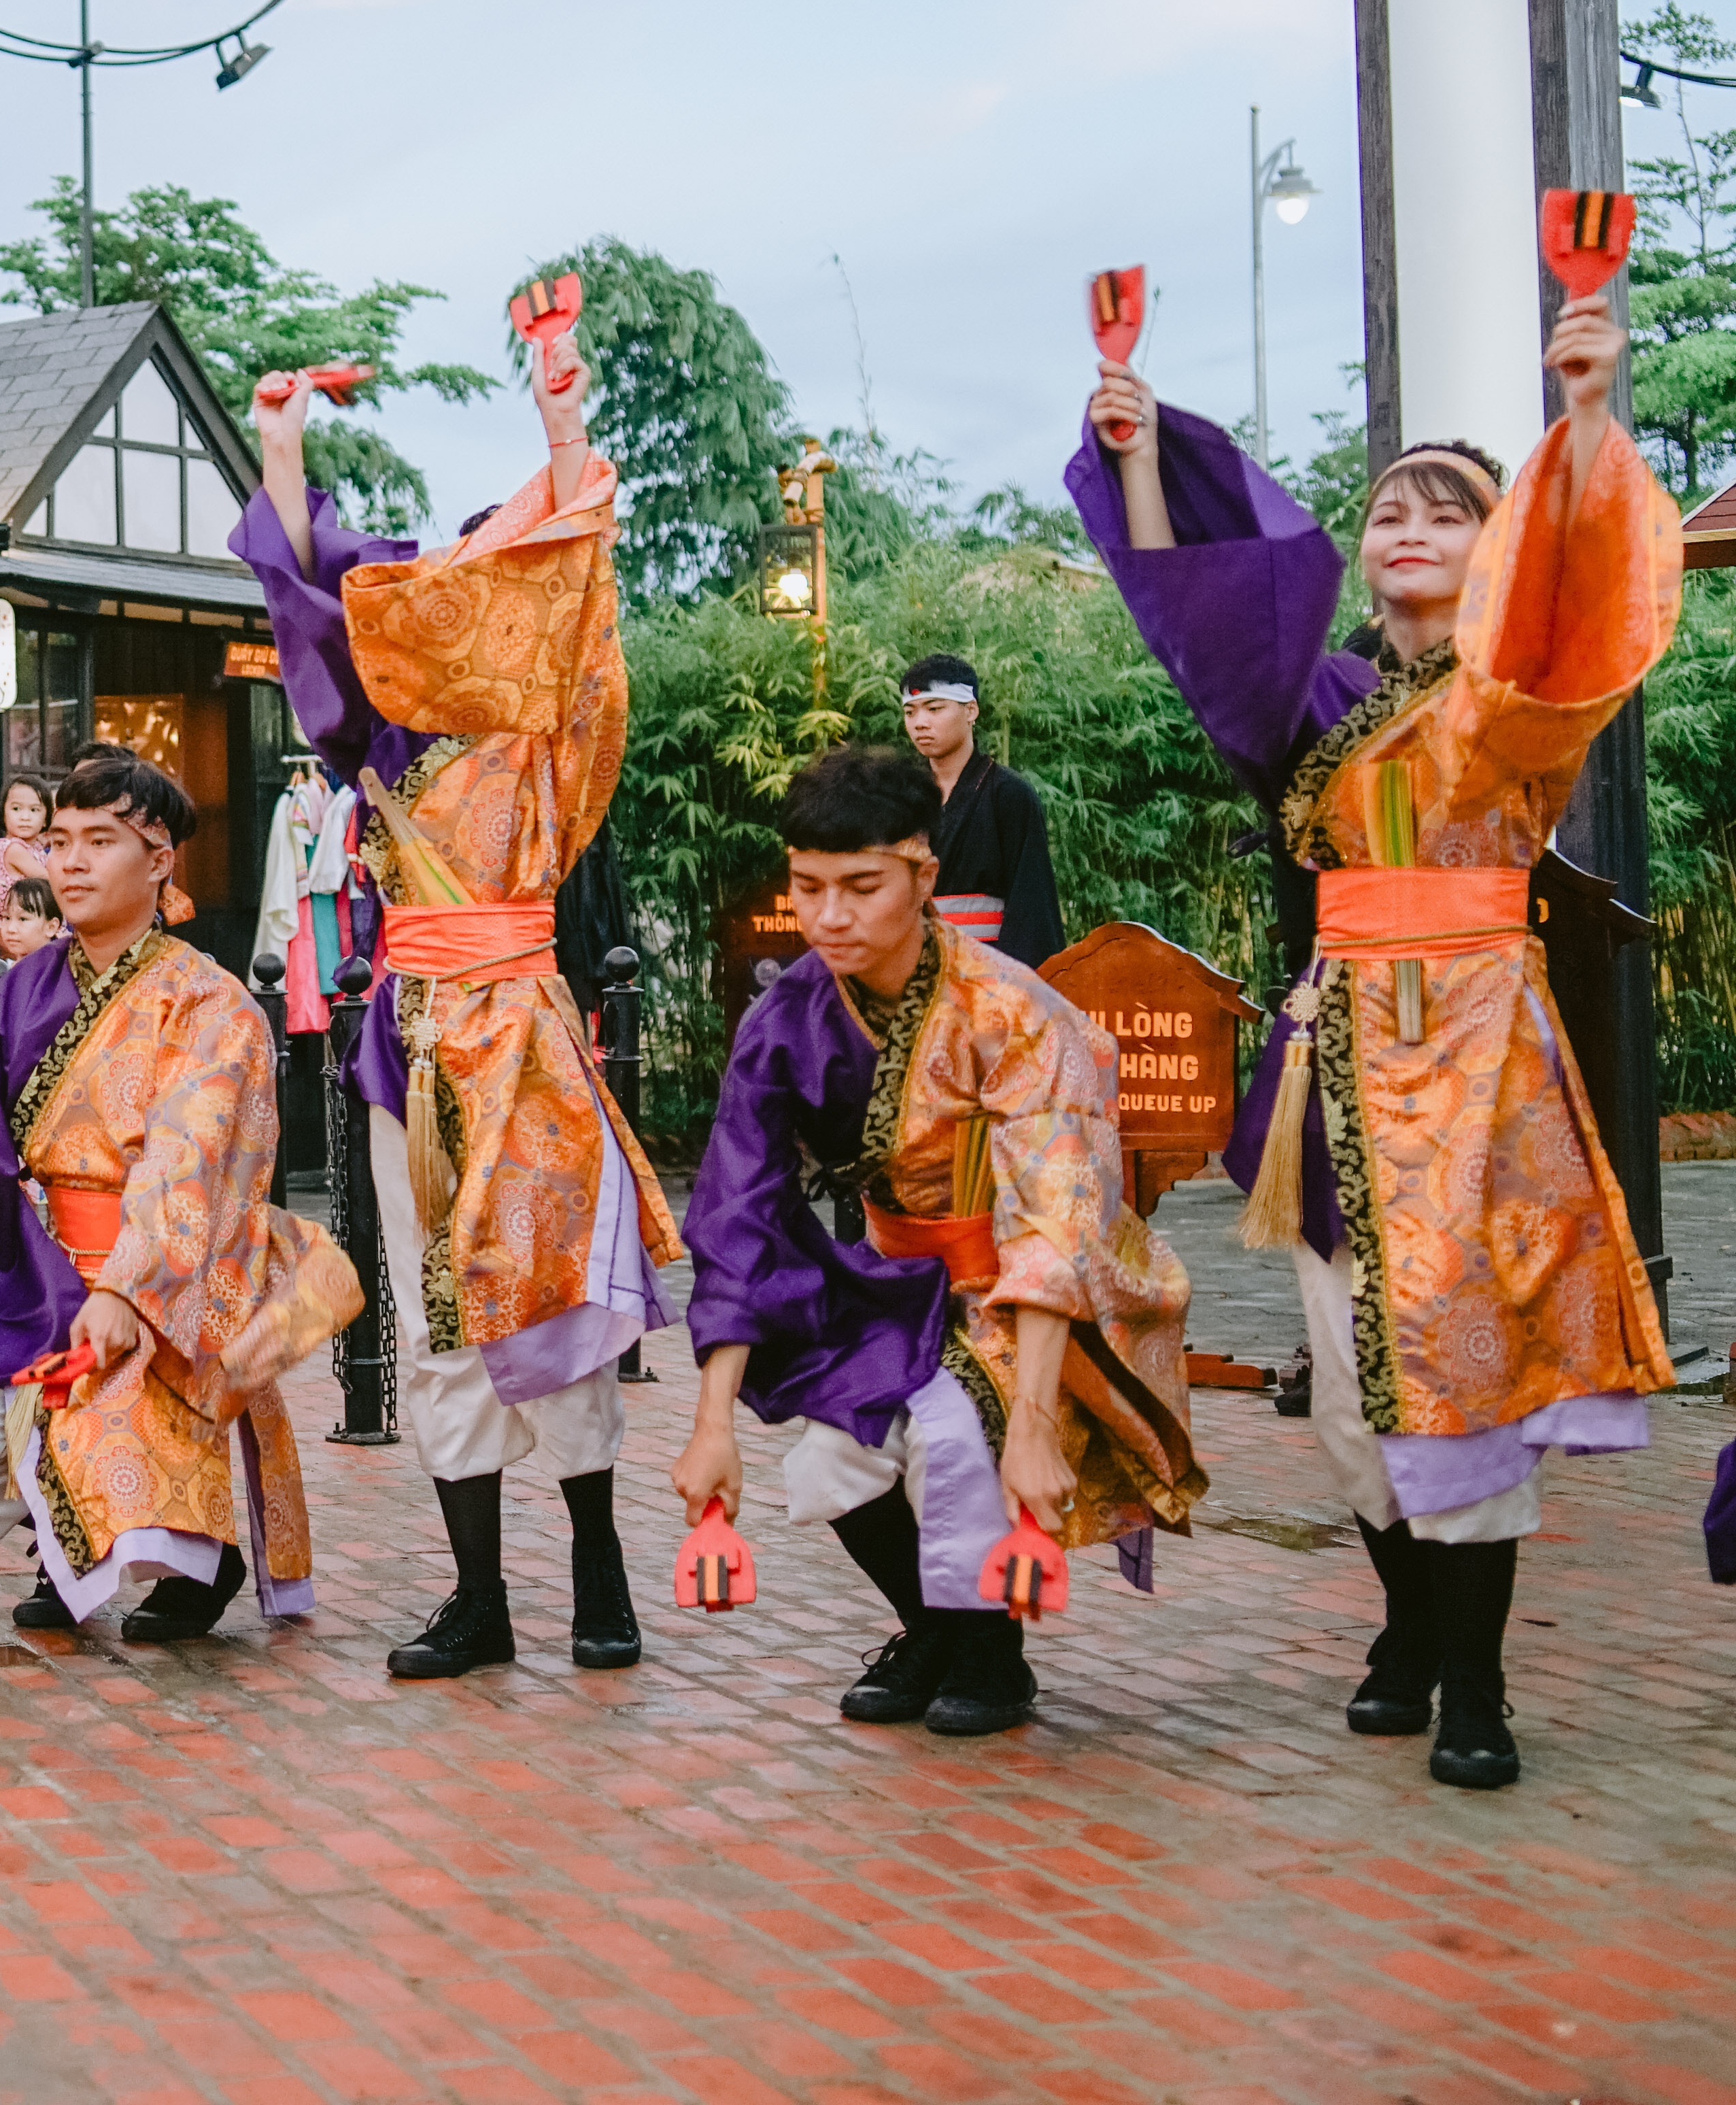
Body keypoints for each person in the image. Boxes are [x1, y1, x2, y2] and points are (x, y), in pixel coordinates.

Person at [1075, 279, 1678, 1790]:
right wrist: (1143, 453)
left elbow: (1592, 591)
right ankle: (1408, 1626)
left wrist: (1589, 413)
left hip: (1481, 1072)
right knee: (1350, 1401)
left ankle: (1473, 1680)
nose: (1409, 527)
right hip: (1336, 1068)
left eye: (1449, 511)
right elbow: (1202, 621)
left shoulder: (1518, 698)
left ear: (1495, 553)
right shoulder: (1312, 702)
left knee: (1459, 1379)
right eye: (1390, 510)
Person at [229, 303, 680, 1679]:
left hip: (525, 1043)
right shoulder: (383, 736)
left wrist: (562, 435)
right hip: (411, 1045)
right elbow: (310, 602)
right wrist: (284, 453)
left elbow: (589, 599)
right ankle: (478, 1595)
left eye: (513, 564)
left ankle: (600, 1572)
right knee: (433, 1316)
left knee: (544, 1300)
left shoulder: (556, 736)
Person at [672, 748, 1201, 1738]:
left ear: (922, 876)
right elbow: (737, 1214)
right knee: (831, 1464)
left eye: (861, 886)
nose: (830, 916)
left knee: (957, 1445)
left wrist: (1037, 1424)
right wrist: (712, 1425)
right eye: (809, 887)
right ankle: (933, 1631)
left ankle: (991, 1658)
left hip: (1035, 1291)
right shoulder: (785, 1017)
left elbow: (1057, 1222)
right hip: (895, 1284)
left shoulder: (1015, 1013)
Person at [0, 751, 359, 1641]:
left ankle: (200, 1555)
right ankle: (63, 1536)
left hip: (173, 1293)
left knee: (100, 1418)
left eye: (99, 841)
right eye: (59, 841)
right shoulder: (16, 1000)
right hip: (41, 1286)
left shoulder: (210, 1006)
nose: (68, 862)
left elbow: (188, 1164)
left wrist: (124, 1290)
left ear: (157, 861)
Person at [900, 654, 1065, 964]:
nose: (920, 722)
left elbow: (1032, 908)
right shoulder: (901, 798)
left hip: (989, 972)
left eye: (935, 709)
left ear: (971, 710)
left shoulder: (1009, 796)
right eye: (910, 712)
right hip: (913, 971)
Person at [0, 775, 58, 962]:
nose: (25, 817)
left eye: (34, 810)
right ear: (3, 813)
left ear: (46, 819)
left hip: (36, 922)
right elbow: (48, 878)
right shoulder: (13, 849)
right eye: (16, 809)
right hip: (22, 923)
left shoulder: (33, 847)